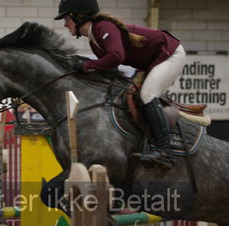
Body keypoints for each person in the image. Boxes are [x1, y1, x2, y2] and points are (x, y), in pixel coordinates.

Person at [55, 0, 186, 169]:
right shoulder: (93, 41)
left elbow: (117, 56)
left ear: (78, 16)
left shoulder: (103, 26)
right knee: (130, 95)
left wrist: (86, 66)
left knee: (147, 95)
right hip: (149, 63)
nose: (65, 24)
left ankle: (164, 151)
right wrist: (82, 67)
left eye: (66, 19)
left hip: (170, 54)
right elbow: (111, 68)